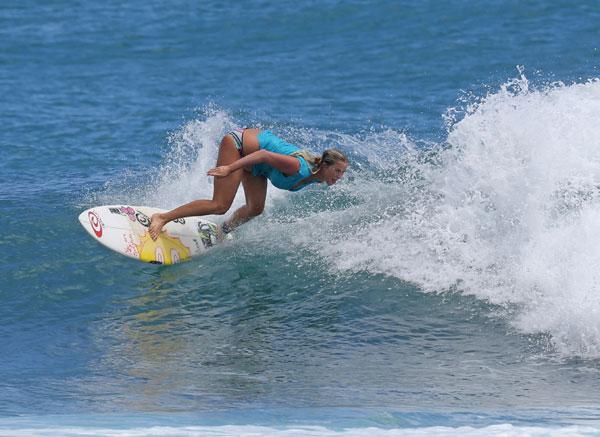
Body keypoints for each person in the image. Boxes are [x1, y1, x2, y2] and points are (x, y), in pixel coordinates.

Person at [148, 128, 349, 240]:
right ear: (325, 166)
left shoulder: (315, 176)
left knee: (255, 208)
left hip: (257, 164)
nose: (339, 176)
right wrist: (230, 168)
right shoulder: (299, 168)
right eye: (337, 171)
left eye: (343, 172)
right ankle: (162, 218)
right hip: (240, 147)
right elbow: (263, 154)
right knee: (220, 205)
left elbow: (265, 160)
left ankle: (221, 233)